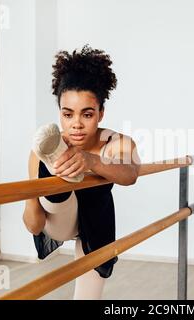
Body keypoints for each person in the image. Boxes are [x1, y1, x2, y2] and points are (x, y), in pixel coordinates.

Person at [22, 44, 141, 300]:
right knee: (51, 172)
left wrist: (90, 161)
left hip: (96, 224)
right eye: (67, 114)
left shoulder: (116, 141)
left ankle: (60, 169)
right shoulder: (40, 149)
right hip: (59, 220)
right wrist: (33, 192)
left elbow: (130, 173)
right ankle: (54, 172)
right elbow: (34, 226)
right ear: (60, 115)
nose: (76, 124)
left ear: (101, 113)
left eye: (87, 114)